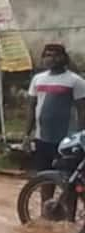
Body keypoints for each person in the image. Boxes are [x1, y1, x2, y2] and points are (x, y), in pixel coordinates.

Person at [26, 44, 85, 177]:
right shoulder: (37, 79)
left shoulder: (75, 81)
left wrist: (80, 136)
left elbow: (82, 110)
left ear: (64, 58)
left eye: (55, 55)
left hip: (66, 140)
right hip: (42, 138)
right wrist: (26, 134)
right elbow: (31, 106)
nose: (51, 59)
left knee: (68, 178)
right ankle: (47, 199)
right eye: (47, 55)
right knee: (44, 176)